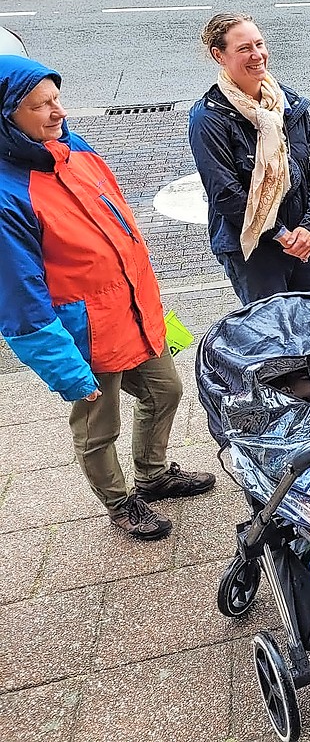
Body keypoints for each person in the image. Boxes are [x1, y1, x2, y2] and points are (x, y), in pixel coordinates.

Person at [0, 56, 215, 541]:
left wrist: (150, 304)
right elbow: (20, 305)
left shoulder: (70, 147)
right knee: (99, 427)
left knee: (166, 391)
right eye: (41, 106)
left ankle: (154, 475)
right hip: (83, 335)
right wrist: (66, 370)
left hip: (131, 312)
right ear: (7, 114)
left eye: (56, 97)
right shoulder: (6, 196)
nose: (58, 112)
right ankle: (120, 504)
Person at [189, 12, 310, 306]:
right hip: (252, 250)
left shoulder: (288, 103)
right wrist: (279, 234)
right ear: (219, 56)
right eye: (244, 49)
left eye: (259, 44)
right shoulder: (209, 118)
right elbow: (225, 193)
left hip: (303, 240)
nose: (256, 55)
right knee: (278, 338)